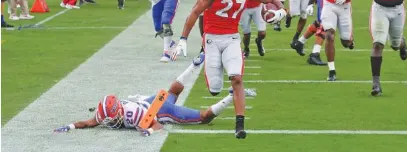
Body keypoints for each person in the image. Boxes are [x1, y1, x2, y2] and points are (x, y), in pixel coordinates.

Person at [170, 0, 287, 139]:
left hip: (232, 37)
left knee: (237, 78)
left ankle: (239, 124)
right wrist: (183, 39)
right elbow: (195, 12)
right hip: (212, 39)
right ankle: (210, 63)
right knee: (214, 89)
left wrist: (281, 9)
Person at [54, 62, 257, 134]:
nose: (111, 121)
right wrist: (70, 126)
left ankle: (231, 96)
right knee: (173, 93)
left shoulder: (131, 115)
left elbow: (156, 124)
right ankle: (194, 65)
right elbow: (89, 122)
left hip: (156, 110)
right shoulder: (106, 113)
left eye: (113, 117)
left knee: (204, 118)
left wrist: (149, 131)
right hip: (152, 100)